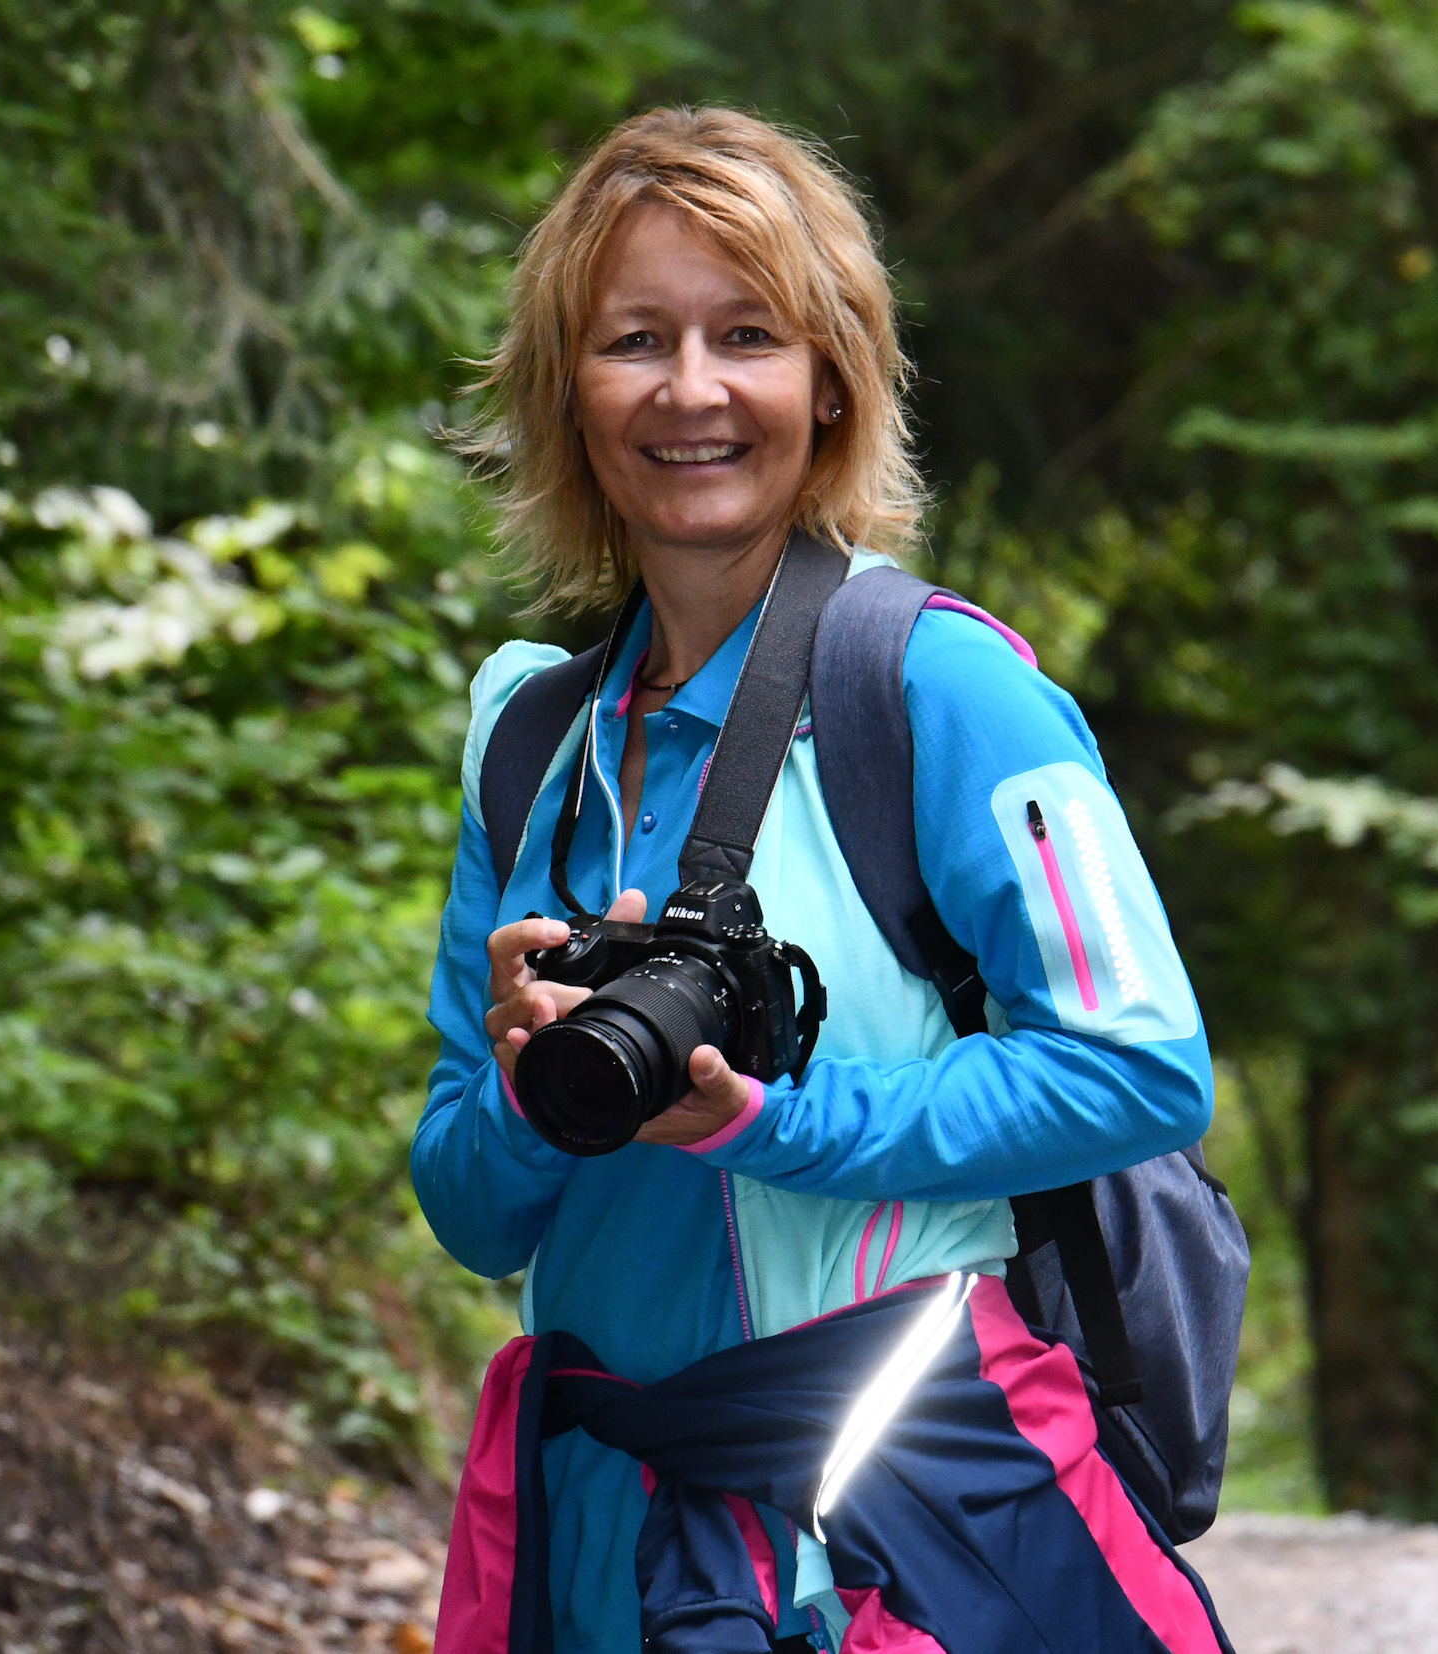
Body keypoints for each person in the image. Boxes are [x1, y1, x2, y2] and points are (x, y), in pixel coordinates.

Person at [415, 107, 1223, 1654]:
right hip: (612, 1517)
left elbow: (1139, 1068)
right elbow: (469, 1209)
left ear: (830, 375)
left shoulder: (932, 688)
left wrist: (772, 1126)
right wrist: (526, 1089)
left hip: (898, 1498)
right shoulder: (529, 737)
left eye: (748, 335)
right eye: (633, 339)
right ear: (564, 390)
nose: (692, 389)